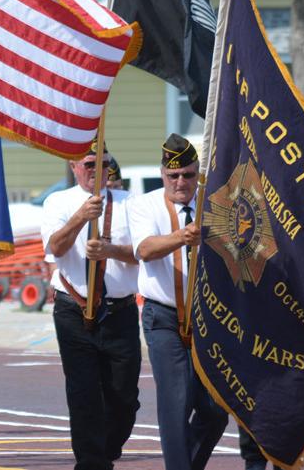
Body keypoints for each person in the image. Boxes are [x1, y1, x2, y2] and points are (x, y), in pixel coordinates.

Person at [128, 134, 227, 470]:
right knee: (177, 401)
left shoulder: (214, 204)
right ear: (163, 175)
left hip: (206, 316)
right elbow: (144, 250)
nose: (181, 182)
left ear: (197, 172)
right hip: (163, 316)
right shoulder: (145, 205)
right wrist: (181, 237)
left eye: (187, 174)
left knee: (215, 409)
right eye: (174, 176)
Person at [41, 140, 140, 470]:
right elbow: (55, 247)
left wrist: (112, 252)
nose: (95, 172)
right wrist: (80, 218)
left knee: (124, 398)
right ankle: (91, 463)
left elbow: (143, 253)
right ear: (73, 166)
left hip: (119, 310)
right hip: (73, 309)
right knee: (84, 395)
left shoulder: (129, 202)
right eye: (88, 165)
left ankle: (106, 450)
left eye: (102, 165)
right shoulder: (59, 201)